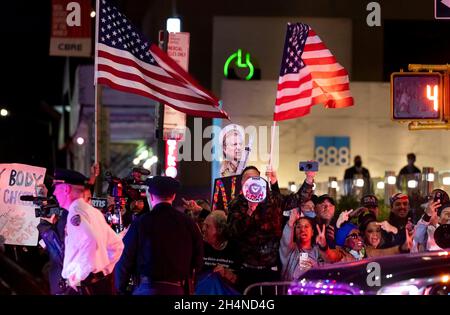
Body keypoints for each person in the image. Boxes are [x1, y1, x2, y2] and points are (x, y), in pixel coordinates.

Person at [227, 165, 315, 292]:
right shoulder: (236, 204)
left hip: (270, 270)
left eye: (255, 178)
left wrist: (309, 178)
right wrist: (249, 212)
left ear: (260, 180)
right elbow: (232, 233)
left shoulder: (272, 200)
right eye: (247, 179)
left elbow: (297, 200)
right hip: (246, 270)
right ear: (242, 183)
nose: (252, 182)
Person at [115, 176, 204, 295]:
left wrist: (121, 289)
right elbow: (198, 261)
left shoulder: (140, 223)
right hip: (177, 289)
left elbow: (125, 258)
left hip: (146, 289)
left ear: (151, 197)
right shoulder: (189, 224)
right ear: (173, 196)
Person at [52, 169, 124, 295]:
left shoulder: (75, 213)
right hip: (99, 284)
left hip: (83, 286)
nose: (54, 193)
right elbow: (117, 245)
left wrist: (79, 277)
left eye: (56, 188)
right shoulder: (93, 211)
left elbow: (89, 240)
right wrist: (104, 270)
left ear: (66, 189)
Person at [317, 222, 412, 263]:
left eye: (359, 235)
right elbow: (330, 256)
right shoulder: (342, 254)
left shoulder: (367, 250)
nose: (359, 238)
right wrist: (323, 246)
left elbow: (383, 253)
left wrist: (402, 248)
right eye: (354, 236)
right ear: (344, 240)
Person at [196, 210, 240, 294]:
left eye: (207, 226)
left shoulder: (235, 247)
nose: (203, 229)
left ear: (220, 230)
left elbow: (240, 280)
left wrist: (227, 273)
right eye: (203, 225)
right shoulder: (200, 246)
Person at [280, 209, 321, 281]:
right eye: (299, 227)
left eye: (306, 226)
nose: (302, 229)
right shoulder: (290, 249)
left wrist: (314, 266)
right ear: (294, 232)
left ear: (312, 232)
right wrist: (291, 223)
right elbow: (286, 241)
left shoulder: (318, 251)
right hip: (291, 290)